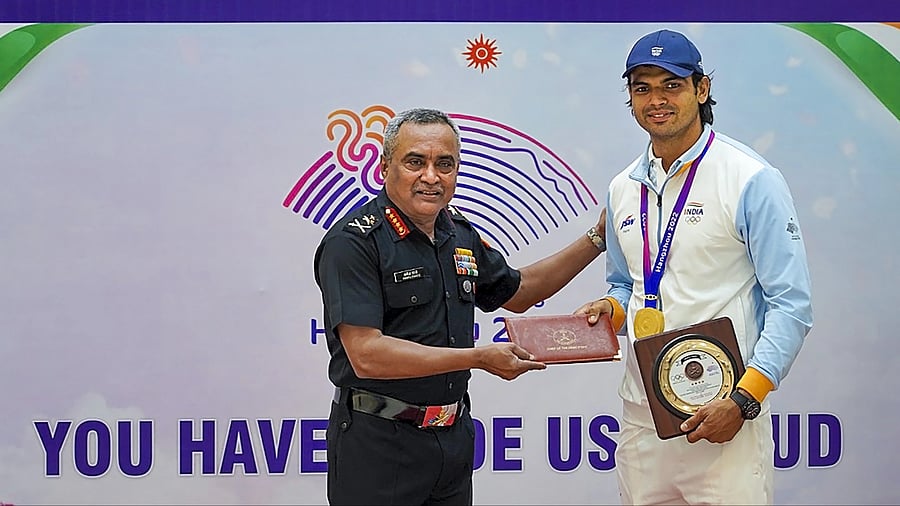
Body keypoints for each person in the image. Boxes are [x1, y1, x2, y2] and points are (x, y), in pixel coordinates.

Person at [313, 107, 607, 505]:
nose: (431, 176)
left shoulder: (458, 233)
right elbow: (367, 354)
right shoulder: (354, 243)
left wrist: (597, 238)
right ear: (384, 167)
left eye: (444, 164)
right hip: (378, 443)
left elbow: (521, 291)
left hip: (451, 439)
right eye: (415, 162)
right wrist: (477, 357)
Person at [574, 29, 813, 505]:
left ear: (701, 90)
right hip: (644, 417)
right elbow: (626, 286)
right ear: (630, 98)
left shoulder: (750, 178)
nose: (657, 100)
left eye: (672, 85)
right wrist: (611, 310)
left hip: (724, 415)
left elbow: (791, 305)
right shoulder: (622, 188)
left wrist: (745, 400)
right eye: (643, 88)